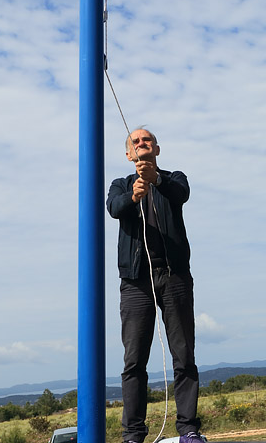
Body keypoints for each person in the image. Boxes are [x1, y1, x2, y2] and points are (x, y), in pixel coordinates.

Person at [107, 128, 205, 443]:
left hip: (174, 275)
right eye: (135, 142)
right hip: (136, 280)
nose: (141, 143)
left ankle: (188, 429)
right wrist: (133, 195)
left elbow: (181, 194)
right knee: (134, 361)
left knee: (184, 354)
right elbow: (114, 209)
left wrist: (156, 181)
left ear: (157, 149)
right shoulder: (120, 184)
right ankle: (133, 435)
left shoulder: (174, 178)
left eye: (146, 140)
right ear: (128, 154)